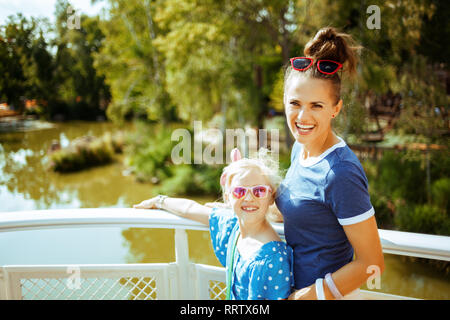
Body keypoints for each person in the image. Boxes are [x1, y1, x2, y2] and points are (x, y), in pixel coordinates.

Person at [276, 27, 385, 300]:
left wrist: (303, 298)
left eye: (317, 105)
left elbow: (372, 265)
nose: (303, 116)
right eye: (295, 103)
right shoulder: (299, 149)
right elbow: (303, 212)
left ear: (336, 108)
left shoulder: (341, 173)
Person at [133, 148, 294, 300]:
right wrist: (159, 201)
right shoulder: (233, 226)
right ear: (228, 197)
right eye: (239, 191)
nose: (249, 198)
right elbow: (190, 208)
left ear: (271, 196)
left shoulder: (273, 257)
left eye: (259, 191)